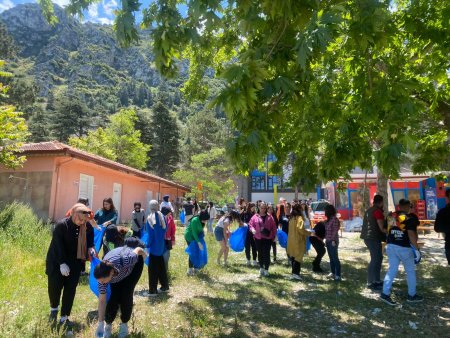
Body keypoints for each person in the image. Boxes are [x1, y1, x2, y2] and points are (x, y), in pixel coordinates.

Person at [45, 203, 96, 334]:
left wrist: (90, 247)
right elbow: (57, 245)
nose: (82, 222)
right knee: (54, 287)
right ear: (73, 214)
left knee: (70, 289)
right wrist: (62, 263)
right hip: (57, 261)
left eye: (84, 220)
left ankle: (64, 317)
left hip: (74, 262)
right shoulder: (62, 225)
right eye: (80, 219)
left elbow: (90, 239)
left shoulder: (86, 226)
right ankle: (54, 309)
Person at [94, 246, 147, 338]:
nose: (101, 283)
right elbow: (102, 301)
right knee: (114, 296)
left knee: (126, 294)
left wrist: (145, 256)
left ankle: (124, 324)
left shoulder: (127, 259)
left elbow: (138, 249)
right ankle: (108, 325)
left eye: (102, 281)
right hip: (116, 273)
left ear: (110, 274)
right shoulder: (102, 278)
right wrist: (100, 322)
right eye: (100, 281)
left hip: (133, 267)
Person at [380, 199, 423, 305]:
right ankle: (411, 295)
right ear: (408, 206)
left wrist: (395, 231)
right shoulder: (410, 218)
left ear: (399, 206)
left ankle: (385, 293)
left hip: (390, 245)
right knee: (410, 271)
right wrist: (417, 249)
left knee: (392, 270)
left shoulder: (391, 215)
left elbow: (385, 230)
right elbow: (411, 235)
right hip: (404, 247)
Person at [361, 194, 386, 290]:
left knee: (378, 258)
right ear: (381, 202)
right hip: (373, 238)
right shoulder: (377, 212)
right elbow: (382, 228)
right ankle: (370, 282)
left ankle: (376, 280)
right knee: (375, 259)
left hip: (369, 238)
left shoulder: (369, 210)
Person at [145, 200, 169, 296]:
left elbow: (150, 235)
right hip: (161, 246)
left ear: (150, 207)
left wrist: (147, 245)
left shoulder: (150, 218)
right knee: (161, 267)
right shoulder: (162, 216)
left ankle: (152, 290)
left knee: (153, 270)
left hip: (154, 247)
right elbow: (165, 229)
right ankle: (164, 286)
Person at [249, 202, 277, 277]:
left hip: (268, 238)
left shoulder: (270, 217)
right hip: (258, 238)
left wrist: (275, 236)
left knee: (266, 253)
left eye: (265, 208)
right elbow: (250, 225)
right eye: (262, 208)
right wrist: (252, 230)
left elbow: (274, 227)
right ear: (259, 207)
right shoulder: (255, 216)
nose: (263, 209)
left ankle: (266, 269)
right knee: (260, 253)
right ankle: (261, 267)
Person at [287, 203, 311, 280]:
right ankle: (296, 274)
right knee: (298, 257)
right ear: (299, 210)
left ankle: (294, 273)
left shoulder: (291, 218)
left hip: (291, 240)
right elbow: (300, 229)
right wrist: (309, 233)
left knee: (293, 257)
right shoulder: (299, 218)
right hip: (298, 240)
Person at [184, 210, 210, 275]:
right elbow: (194, 233)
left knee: (198, 252)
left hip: (196, 237)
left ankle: (196, 268)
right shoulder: (195, 220)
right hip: (189, 236)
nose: (206, 221)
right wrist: (198, 243)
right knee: (193, 252)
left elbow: (200, 230)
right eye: (205, 220)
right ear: (202, 218)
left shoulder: (202, 222)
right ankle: (190, 270)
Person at [324, 204, 341, 281]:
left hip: (333, 241)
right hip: (328, 240)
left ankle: (338, 275)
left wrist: (333, 240)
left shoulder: (334, 219)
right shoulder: (328, 219)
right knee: (331, 257)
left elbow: (335, 231)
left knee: (335, 258)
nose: (324, 212)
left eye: (325, 210)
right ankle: (332, 272)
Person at [435, 189, 450, 265]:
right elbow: (437, 228)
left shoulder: (443, 212)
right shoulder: (443, 212)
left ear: (446, 198)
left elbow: (437, 228)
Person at [161, 206, 176, 272]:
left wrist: (173, 239)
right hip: (160, 241)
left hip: (168, 240)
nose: (169, 215)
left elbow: (173, 229)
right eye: (168, 214)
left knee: (167, 256)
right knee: (160, 256)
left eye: (170, 214)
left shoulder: (170, 218)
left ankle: (165, 271)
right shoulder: (158, 219)